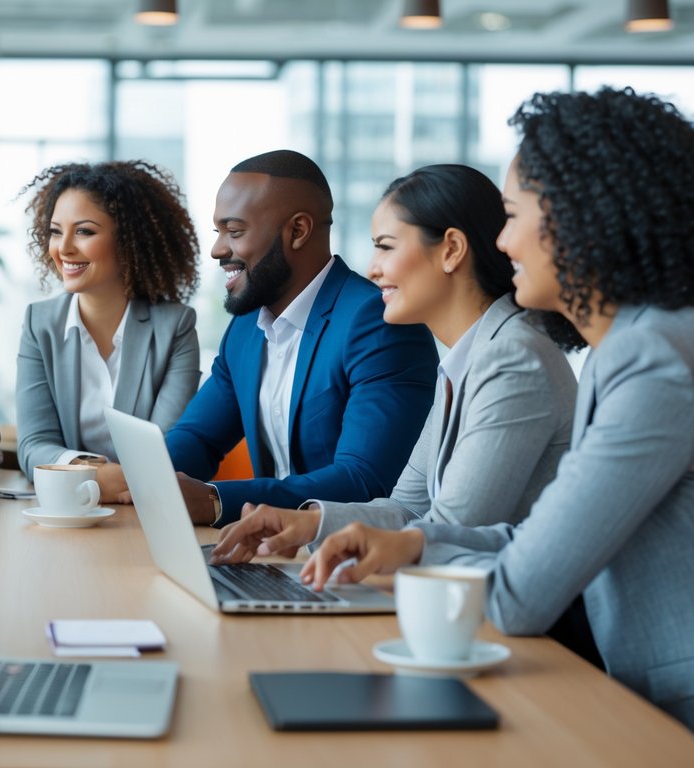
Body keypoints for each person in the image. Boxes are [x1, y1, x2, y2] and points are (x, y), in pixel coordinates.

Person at [301, 88, 694, 729]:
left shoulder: (650, 358)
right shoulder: (626, 348)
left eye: (512, 215)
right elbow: (523, 543)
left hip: (668, 712)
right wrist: (404, 543)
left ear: (583, 216)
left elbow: (519, 594)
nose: (503, 241)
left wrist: (412, 546)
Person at [210, 164, 579, 561]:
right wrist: (308, 521)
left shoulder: (513, 357)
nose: (372, 268)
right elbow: (407, 507)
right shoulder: (465, 359)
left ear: (452, 250)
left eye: (385, 247)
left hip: (515, 617)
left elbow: (452, 528)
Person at [161, 150, 438, 526]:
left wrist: (216, 500)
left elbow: (364, 479)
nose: (218, 249)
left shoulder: (376, 322)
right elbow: (198, 438)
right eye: (218, 232)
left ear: (298, 231)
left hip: (348, 558)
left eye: (235, 231)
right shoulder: (246, 327)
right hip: (269, 552)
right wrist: (138, 478)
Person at [15, 160, 201, 497]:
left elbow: (169, 448)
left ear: (129, 241)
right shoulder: (39, 325)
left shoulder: (175, 327)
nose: (64, 248)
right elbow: (33, 447)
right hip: (69, 513)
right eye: (56, 231)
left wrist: (70, 470)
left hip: (148, 515)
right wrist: (95, 474)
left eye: (84, 231)